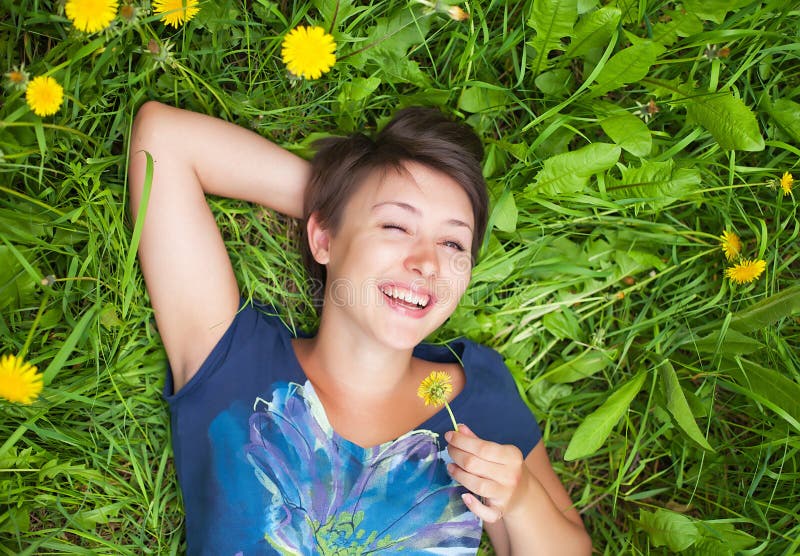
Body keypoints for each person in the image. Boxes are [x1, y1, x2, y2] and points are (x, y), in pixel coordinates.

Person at [128, 101, 591, 555]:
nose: (428, 261)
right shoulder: (229, 357)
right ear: (323, 239)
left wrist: (523, 497)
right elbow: (165, 140)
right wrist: (341, 203)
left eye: (452, 242)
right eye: (395, 226)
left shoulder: (476, 400)